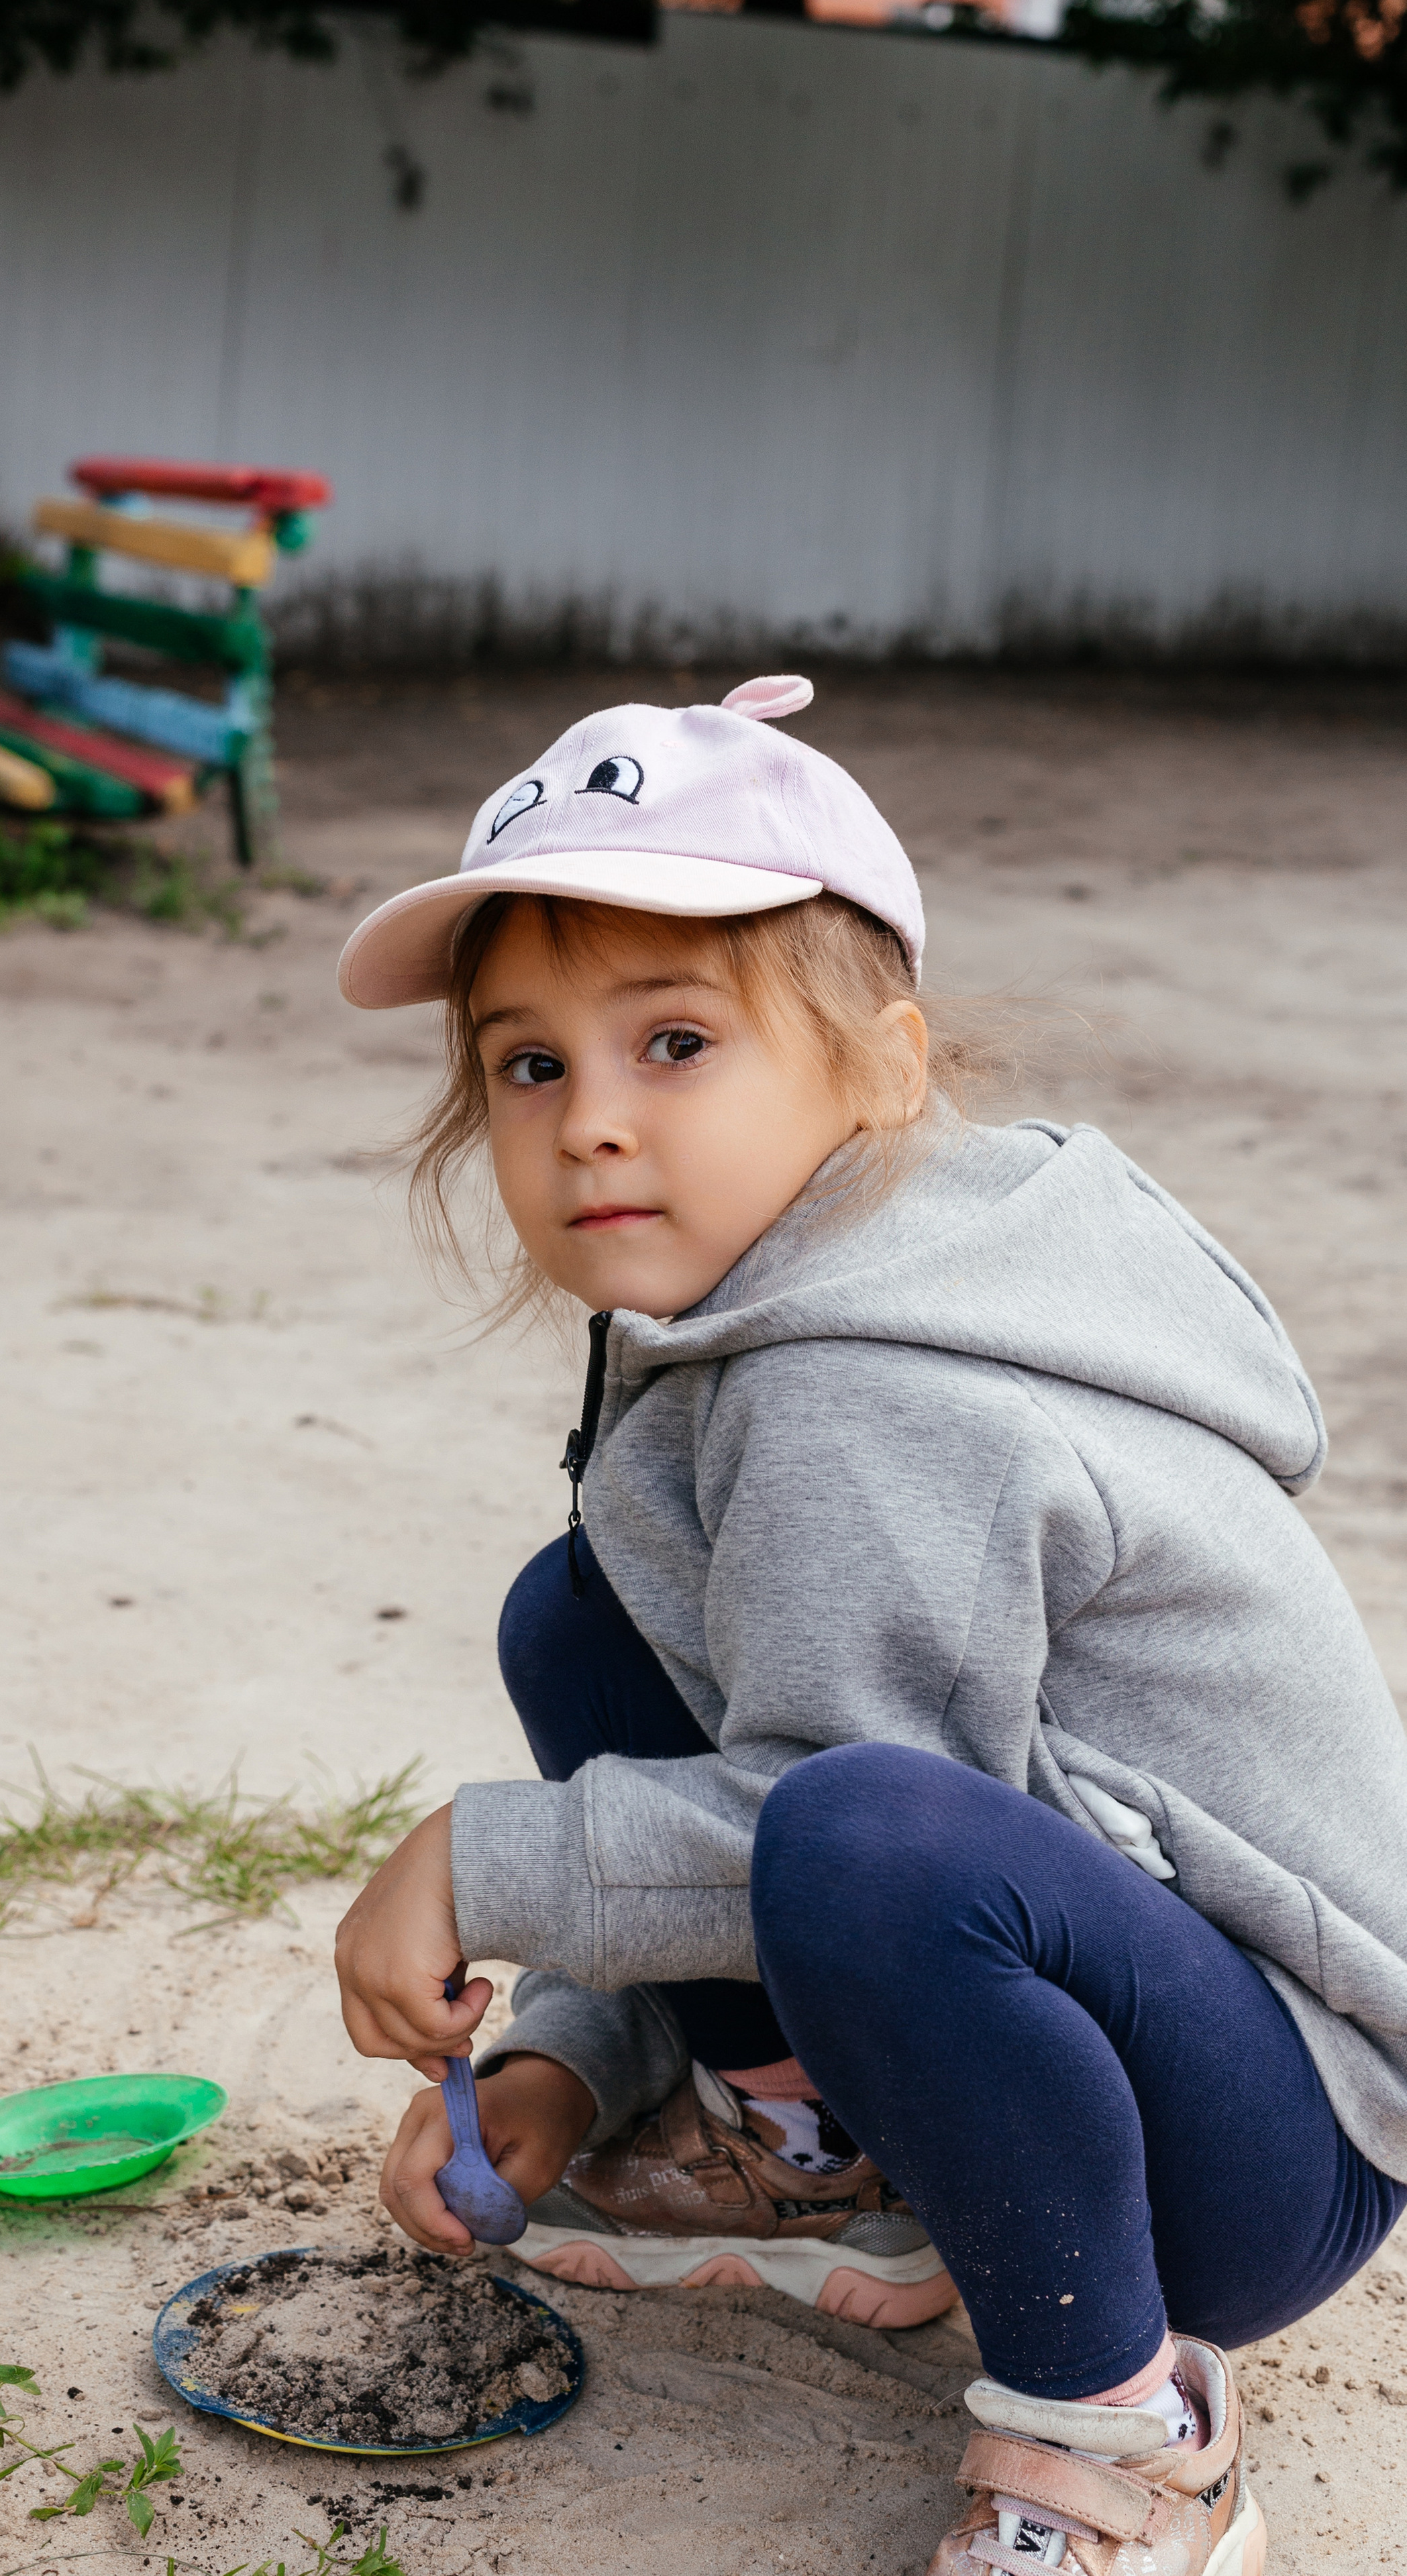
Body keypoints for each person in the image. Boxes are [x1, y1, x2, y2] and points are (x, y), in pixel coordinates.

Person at [329, 674, 1407, 2576]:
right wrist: (577, 2052)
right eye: (528, 1065)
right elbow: (742, 1755)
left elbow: (846, 1823)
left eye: (674, 1042)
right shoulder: (794, 1297)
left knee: (852, 1826)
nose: (591, 1127)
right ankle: (823, 2151)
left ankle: (1126, 2437)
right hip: (1084, 2000)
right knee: (585, 1617)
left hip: (1266, 2153)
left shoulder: (879, 1393)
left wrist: (473, 1859)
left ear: (883, 1071)